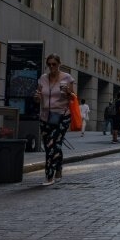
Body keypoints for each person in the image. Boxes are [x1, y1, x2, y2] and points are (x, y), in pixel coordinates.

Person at [33, 54, 74, 185]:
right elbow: (38, 97)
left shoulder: (67, 78)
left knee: (54, 145)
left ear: (59, 64)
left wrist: (68, 92)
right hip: (45, 117)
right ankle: (59, 168)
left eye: (54, 64)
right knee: (49, 145)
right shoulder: (43, 79)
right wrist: (37, 98)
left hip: (62, 116)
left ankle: (48, 176)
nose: (51, 67)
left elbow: (72, 97)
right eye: (49, 64)